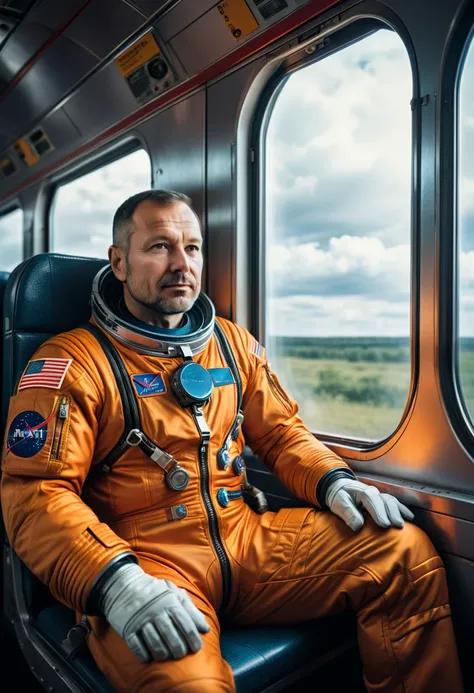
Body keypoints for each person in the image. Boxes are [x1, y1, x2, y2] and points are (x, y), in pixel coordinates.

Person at [1, 190, 464, 693]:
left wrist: (333, 480)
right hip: (145, 565)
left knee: (403, 555)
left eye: (193, 248)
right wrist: (114, 582)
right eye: (159, 247)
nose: (182, 265)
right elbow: (35, 496)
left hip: (245, 540)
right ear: (118, 262)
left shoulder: (231, 344)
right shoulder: (70, 364)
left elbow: (284, 434)